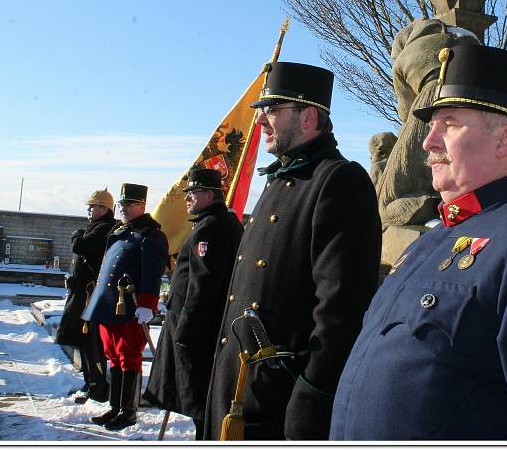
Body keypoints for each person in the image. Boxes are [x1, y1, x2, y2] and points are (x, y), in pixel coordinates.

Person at [329, 44, 507, 440]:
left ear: (503, 140)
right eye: (431, 125)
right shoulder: (432, 240)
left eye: (448, 123)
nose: (427, 142)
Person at [203, 62, 382, 441]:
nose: (260, 122)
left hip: (278, 399)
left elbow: (340, 309)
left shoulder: (338, 180)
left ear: (309, 115)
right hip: (239, 385)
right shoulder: (280, 179)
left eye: (272, 110)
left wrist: (311, 395)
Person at [144, 168, 244, 439]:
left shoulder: (208, 229)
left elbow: (203, 286)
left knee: (199, 400)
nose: (187, 198)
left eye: (193, 192)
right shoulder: (223, 223)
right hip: (210, 326)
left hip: (198, 329)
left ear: (210, 195)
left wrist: (186, 331)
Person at [81, 183, 168, 431]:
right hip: (109, 305)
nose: (124, 209)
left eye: (129, 205)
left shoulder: (151, 236)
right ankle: (115, 407)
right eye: (122, 205)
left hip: (130, 307)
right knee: (113, 357)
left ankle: (128, 411)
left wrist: (147, 304)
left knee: (129, 358)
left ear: (142, 206)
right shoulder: (119, 232)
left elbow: (153, 272)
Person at [55, 188, 117, 404]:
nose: (89, 210)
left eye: (93, 206)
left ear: (104, 208)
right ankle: (90, 381)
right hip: (82, 294)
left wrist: (76, 233)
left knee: (92, 343)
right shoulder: (96, 227)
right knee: (83, 342)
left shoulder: (104, 229)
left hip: (90, 297)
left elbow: (80, 245)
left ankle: (98, 385)